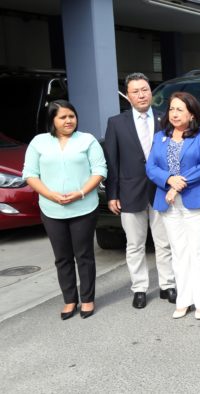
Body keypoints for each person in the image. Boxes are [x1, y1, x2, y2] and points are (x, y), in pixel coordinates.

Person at [22, 100, 107, 319]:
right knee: (62, 257)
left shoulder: (87, 140)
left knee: (84, 255)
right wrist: (50, 195)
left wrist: (80, 192)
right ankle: (70, 300)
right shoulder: (39, 142)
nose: (69, 121)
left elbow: (99, 170)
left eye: (72, 116)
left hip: (84, 207)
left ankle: (87, 299)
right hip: (51, 209)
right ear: (52, 120)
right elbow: (29, 174)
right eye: (63, 117)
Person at [104, 72, 175, 309]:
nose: (141, 95)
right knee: (134, 244)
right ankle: (140, 288)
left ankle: (167, 284)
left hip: (160, 190)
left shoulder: (164, 119)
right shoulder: (116, 123)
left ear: (150, 92)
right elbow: (112, 162)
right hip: (129, 191)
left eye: (145, 89)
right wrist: (112, 194)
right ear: (128, 95)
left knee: (163, 242)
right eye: (135, 91)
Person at [146, 92, 200, 320]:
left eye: (180, 109)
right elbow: (151, 167)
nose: (174, 114)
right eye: (171, 109)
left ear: (192, 113)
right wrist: (168, 180)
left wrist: (177, 185)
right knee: (179, 252)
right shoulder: (160, 137)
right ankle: (184, 299)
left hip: (195, 199)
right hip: (168, 202)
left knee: (199, 252)